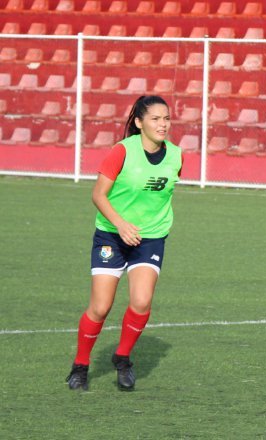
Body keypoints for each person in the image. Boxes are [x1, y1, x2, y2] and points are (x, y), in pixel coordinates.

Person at [65, 95, 182, 391]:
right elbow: (98, 195)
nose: (163, 124)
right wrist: (121, 224)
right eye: (155, 119)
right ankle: (80, 364)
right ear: (139, 123)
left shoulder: (177, 156)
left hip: (150, 237)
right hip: (111, 235)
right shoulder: (121, 151)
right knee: (101, 307)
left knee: (142, 301)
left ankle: (123, 357)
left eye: (166, 118)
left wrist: (146, 224)